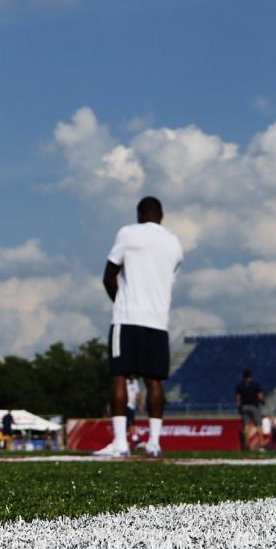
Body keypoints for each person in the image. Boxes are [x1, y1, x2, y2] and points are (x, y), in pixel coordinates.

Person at [93, 196, 183, 459]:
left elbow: (108, 276)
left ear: (139, 214)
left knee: (119, 375)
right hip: (157, 320)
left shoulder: (129, 233)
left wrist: (119, 301)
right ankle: (154, 442)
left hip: (128, 316)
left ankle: (121, 442)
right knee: (154, 381)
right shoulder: (175, 244)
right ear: (162, 215)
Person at [234, 370, 265, 451]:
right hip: (254, 406)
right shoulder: (255, 384)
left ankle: (246, 445)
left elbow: (238, 399)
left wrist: (239, 407)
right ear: (251, 376)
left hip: (244, 407)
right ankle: (261, 444)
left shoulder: (240, 386)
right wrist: (263, 401)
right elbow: (260, 396)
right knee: (259, 425)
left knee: (246, 426)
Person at [125, 377, 143, 446]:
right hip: (125, 405)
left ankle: (125, 441)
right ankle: (136, 441)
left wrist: (140, 404)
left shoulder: (135, 381)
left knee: (128, 424)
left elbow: (138, 394)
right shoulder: (123, 380)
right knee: (130, 424)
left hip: (132, 406)